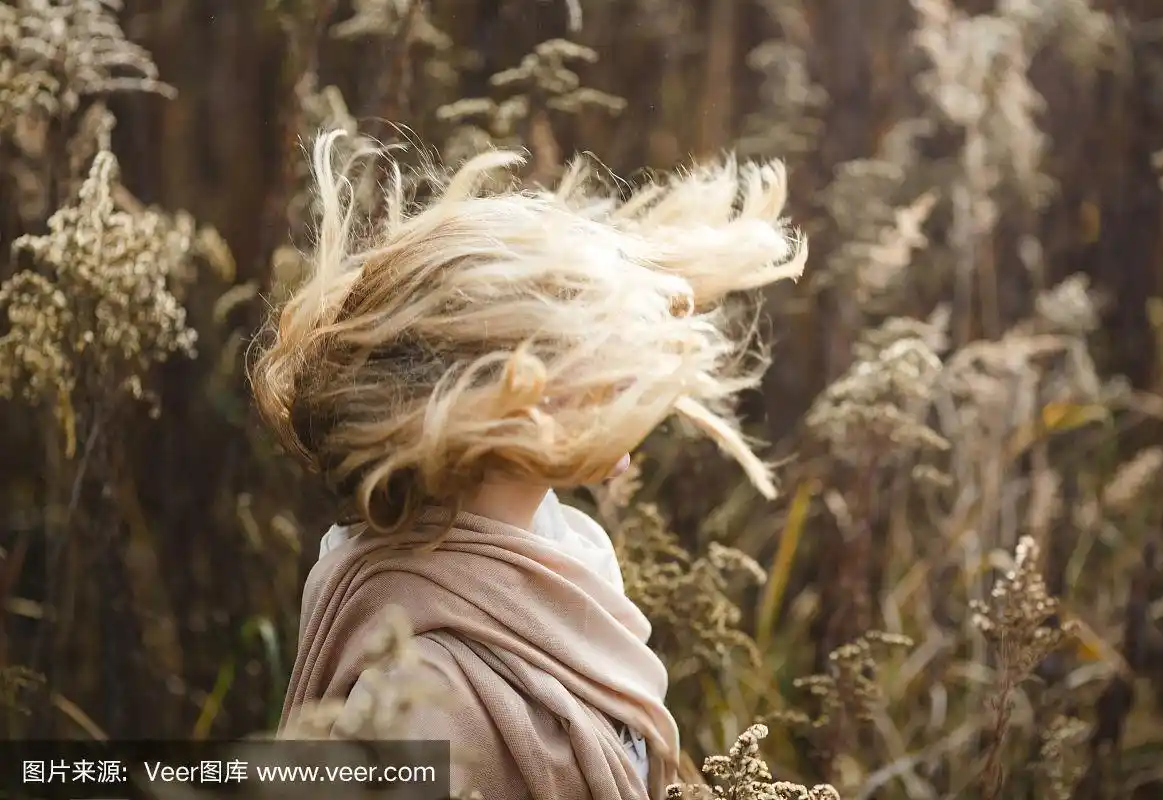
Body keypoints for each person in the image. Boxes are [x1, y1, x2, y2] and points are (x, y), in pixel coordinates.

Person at [249, 130, 807, 800]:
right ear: (505, 397)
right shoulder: (423, 693)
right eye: (591, 349)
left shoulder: (555, 548)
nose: (625, 375)